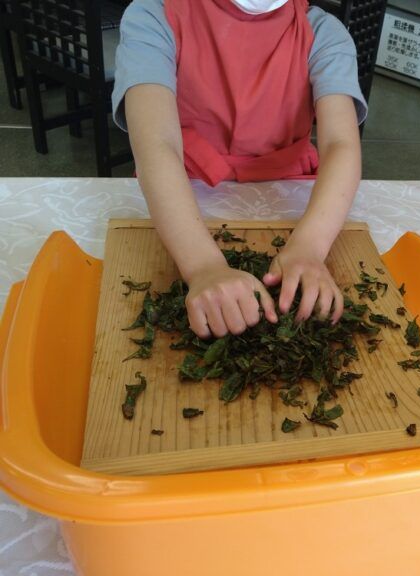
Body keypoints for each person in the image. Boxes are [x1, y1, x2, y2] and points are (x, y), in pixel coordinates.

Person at [112, 0, 366, 338]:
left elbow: (341, 145)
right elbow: (157, 145)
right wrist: (204, 266)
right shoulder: (153, 15)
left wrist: (309, 247)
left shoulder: (324, 32)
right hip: (183, 191)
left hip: (290, 192)